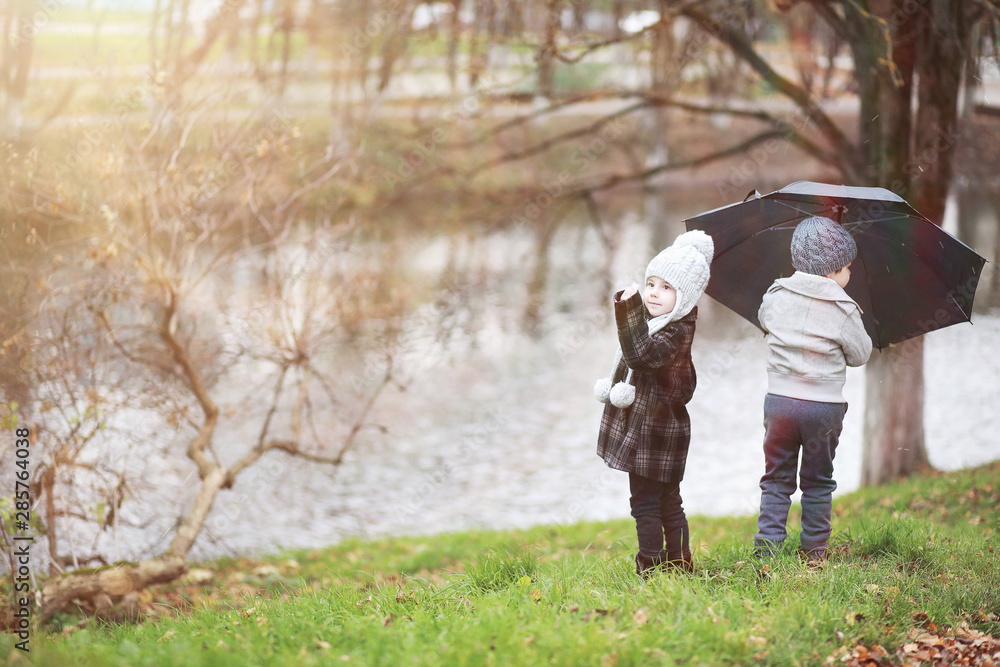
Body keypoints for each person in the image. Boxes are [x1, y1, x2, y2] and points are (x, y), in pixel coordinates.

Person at [594, 230, 713, 577]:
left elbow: (640, 355)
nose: (654, 293)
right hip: (659, 430)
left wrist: (628, 310)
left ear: (686, 296)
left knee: (648, 503)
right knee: (665, 501)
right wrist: (637, 311)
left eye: (666, 288)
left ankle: (651, 565)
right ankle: (679, 562)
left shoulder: (674, 332)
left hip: (655, 433)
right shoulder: (661, 322)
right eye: (651, 284)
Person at [754, 216, 873, 563]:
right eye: (847, 268)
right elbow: (860, 354)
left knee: (776, 479)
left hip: (780, 403)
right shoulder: (843, 307)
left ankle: (767, 552)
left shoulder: (776, 294)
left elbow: (764, 319)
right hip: (822, 407)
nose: (849, 275)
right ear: (833, 270)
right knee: (818, 481)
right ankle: (814, 552)